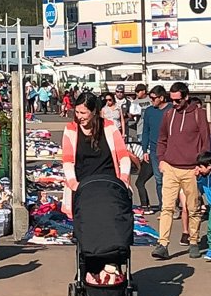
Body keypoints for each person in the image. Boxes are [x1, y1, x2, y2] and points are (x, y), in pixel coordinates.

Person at [61, 92, 134, 284]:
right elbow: (67, 160)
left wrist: (124, 179)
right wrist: (73, 183)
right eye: (77, 112)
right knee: (88, 227)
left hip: (109, 186)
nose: (80, 117)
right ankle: (90, 268)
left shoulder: (109, 128)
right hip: (83, 187)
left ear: (95, 112)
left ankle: (112, 264)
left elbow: (123, 156)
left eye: (84, 113)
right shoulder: (70, 130)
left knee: (112, 223)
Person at [153, 82, 210, 259]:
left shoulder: (199, 115)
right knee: (167, 207)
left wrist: (202, 166)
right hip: (170, 166)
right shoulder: (169, 114)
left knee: (193, 208)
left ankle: (193, 240)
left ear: (186, 97)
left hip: (191, 169)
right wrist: (161, 159)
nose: (174, 104)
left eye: (177, 100)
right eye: (172, 100)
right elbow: (161, 138)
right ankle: (163, 243)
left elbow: (205, 141)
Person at [136, 85, 167, 211]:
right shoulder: (149, 111)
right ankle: (163, 207)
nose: (151, 100)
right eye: (150, 98)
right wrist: (144, 150)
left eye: (154, 98)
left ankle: (173, 205)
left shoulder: (171, 110)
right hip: (154, 150)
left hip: (170, 149)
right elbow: (145, 132)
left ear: (162, 98)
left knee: (171, 180)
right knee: (159, 180)